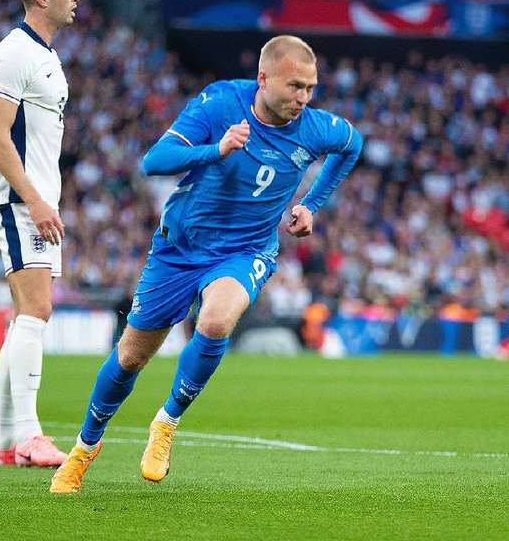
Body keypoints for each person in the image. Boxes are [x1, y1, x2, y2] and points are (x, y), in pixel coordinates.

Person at [50, 35, 363, 492]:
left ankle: (166, 423)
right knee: (131, 356)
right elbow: (154, 161)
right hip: (181, 247)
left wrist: (312, 204)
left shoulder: (317, 127)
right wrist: (214, 150)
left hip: (246, 252)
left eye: (310, 88)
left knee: (215, 322)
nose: (303, 98)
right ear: (263, 78)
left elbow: (352, 146)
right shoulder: (219, 103)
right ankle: (84, 448)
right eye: (295, 86)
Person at [0, 0, 80, 467]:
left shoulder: (47, 56)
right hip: (19, 200)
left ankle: (4, 442)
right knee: (37, 311)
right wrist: (36, 198)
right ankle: (29, 435)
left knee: (27, 315)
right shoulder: (14, 52)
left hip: (37, 200)